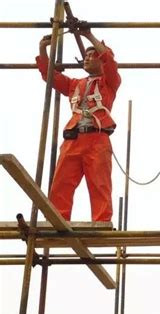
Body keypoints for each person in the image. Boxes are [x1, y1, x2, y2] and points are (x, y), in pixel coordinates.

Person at [37, 29, 121, 222]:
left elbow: (110, 60)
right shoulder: (75, 84)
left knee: (100, 183)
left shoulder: (109, 81)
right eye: (86, 56)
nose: (87, 58)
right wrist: (43, 50)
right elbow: (49, 76)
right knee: (61, 182)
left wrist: (88, 36)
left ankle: (101, 222)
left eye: (93, 56)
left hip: (97, 137)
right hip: (73, 138)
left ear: (100, 60)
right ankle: (57, 219)